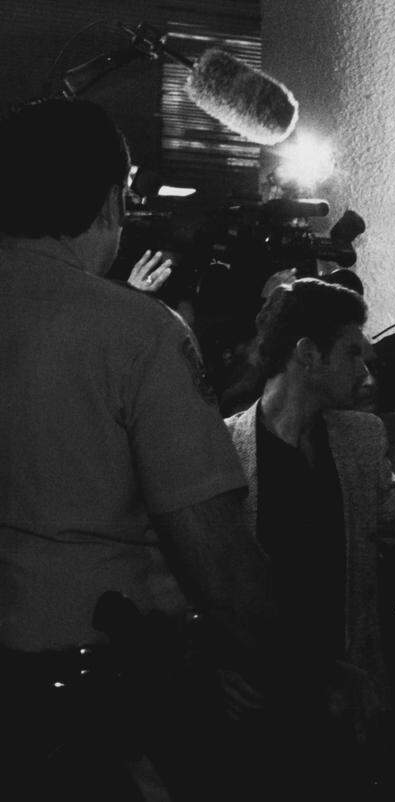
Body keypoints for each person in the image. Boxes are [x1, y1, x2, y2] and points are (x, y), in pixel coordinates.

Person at [0, 98, 277, 798]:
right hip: (77, 700)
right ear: (111, 200)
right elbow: (211, 549)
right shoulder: (134, 332)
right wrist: (288, 660)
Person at [222, 278, 395, 798]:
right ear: (307, 353)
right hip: (257, 698)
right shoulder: (224, 449)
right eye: (352, 352)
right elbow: (190, 574)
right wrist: (212, 661)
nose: (364, 372)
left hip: (347, 693)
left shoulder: (361, 437)